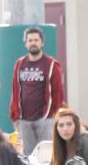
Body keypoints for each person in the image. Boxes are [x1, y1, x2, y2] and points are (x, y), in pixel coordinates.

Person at [10, 26, 64, 157]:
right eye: (30, 40)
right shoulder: (19, 64)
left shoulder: (51, 64)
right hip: (24, 120)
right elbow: (15, 90)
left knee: (45, 156)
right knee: (29, 157)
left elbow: (58, 93)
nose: (33, 43)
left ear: (42, 43)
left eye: (36, 40)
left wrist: (51, 115)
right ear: (25, 43)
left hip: (45, 119)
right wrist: (15, 116)